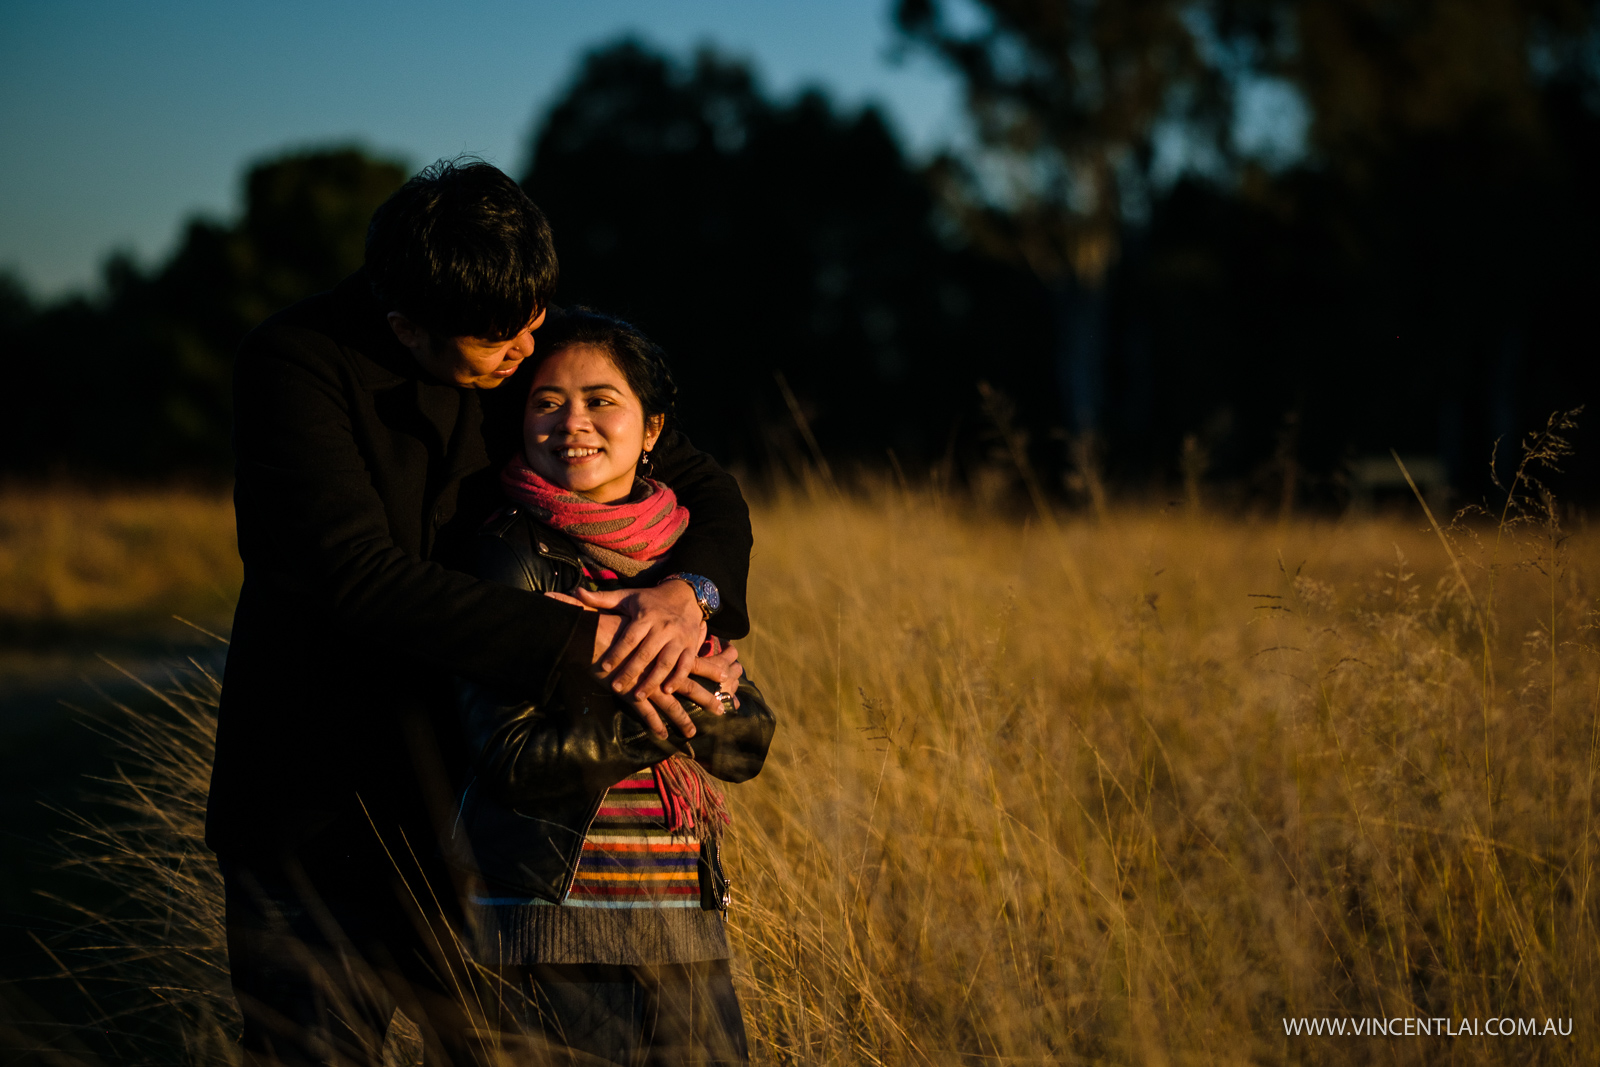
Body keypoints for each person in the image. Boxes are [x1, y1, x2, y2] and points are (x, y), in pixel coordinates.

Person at [207, 159, 753, 1066]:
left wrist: (682, 599)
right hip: (312, 813)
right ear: (406, 328)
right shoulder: (293, 363)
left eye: (537, 320)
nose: (529, 347)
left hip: (472, 813)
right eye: (504, 342)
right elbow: (359, 577)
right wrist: (601, 643)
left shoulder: (514, 314)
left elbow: (705, 483)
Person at [446, 309, 775, 1065]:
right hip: (551, 921)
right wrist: (663, 702)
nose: (573, 423)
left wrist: (693, 682)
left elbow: (745, 739)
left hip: (679, 922)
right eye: (547, 401)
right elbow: (511, 756)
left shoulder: (678, 566)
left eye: (602, 400)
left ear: (652, 427)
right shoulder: (508, 552)